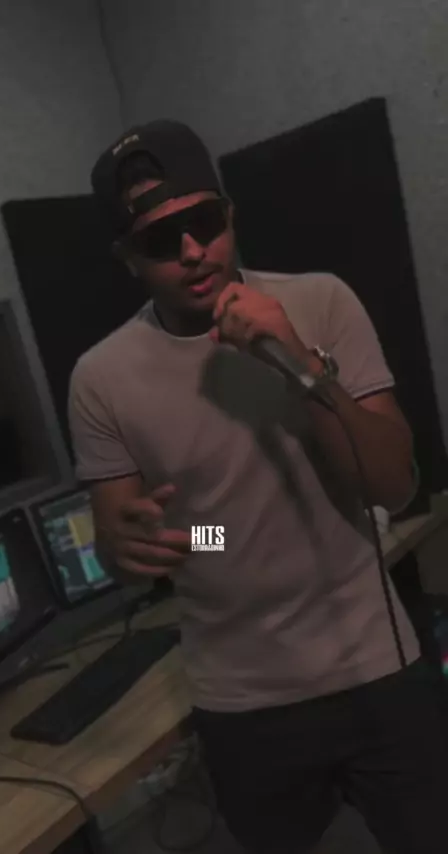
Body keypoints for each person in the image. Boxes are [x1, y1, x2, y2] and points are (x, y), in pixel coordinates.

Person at [69, 120, 448, 854]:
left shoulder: (321, 302)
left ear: (230, 215)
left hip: (374, 666)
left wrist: (299, 363)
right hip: (243, 701)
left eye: (205, 223)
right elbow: (136, 550)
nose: (192, 250)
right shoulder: (101, 378)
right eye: (161, 240)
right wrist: (155, 543)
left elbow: (394, 487)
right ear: (128, 259)